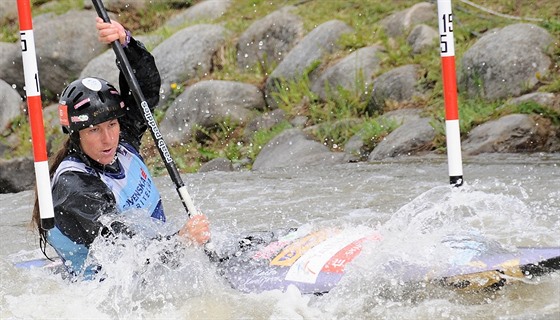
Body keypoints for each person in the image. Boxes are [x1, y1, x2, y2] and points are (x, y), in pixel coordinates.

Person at [31, 17, 210, 279]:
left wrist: (125, 42)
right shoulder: (75, 188)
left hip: (159, 263)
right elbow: (126, 252)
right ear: (76, 134)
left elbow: (144, 93)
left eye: (112, 124)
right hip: (105, 293)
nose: (108, 139)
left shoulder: (120, 143)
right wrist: (181, 241)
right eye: (94, 130)